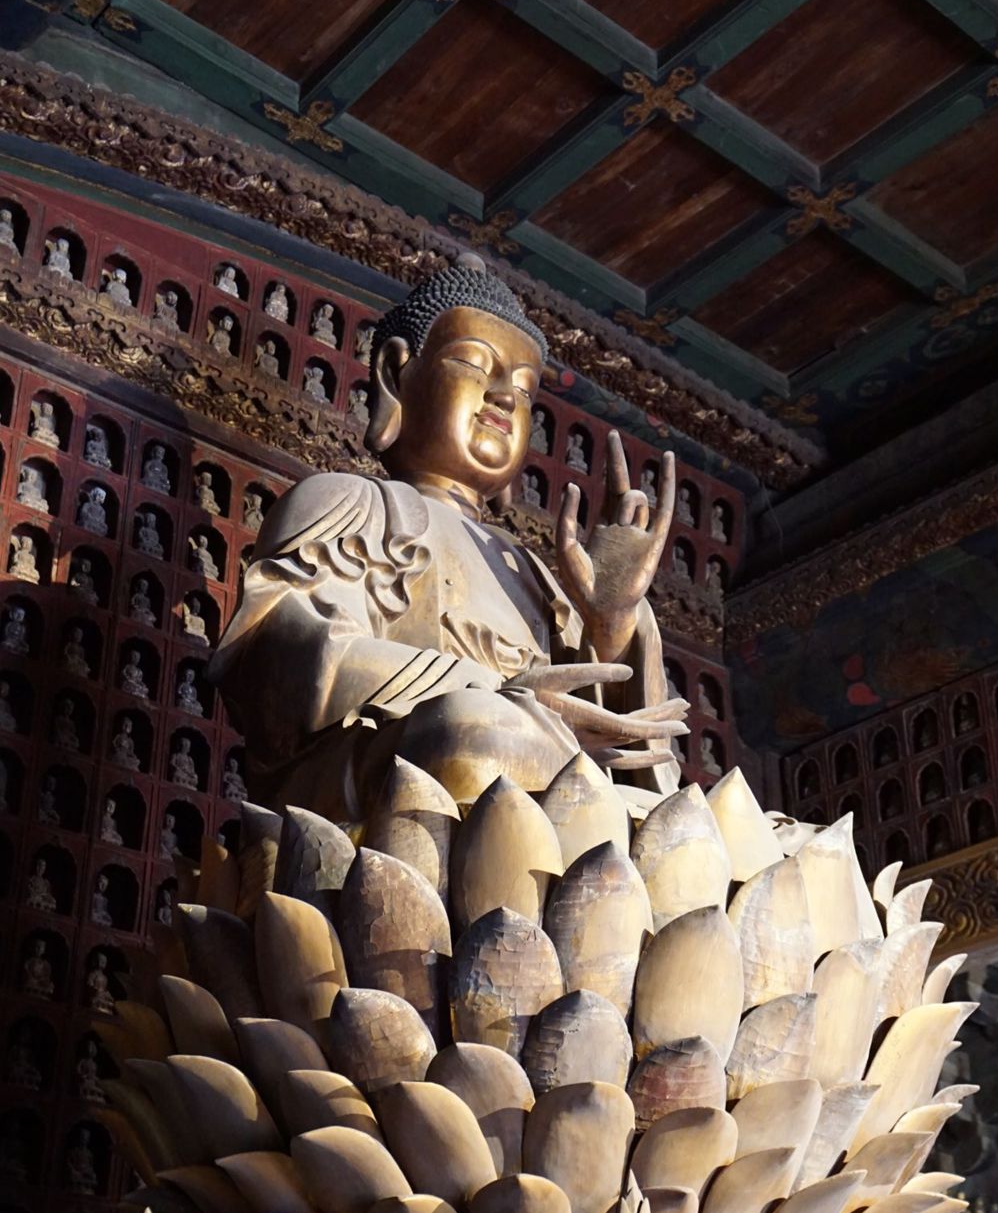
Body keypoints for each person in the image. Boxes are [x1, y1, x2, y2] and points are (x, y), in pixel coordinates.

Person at [211, 255, 684, 818]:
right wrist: (501, 693)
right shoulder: (351, 502)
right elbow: (286, 658)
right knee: (476, 732)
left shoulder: (530, 571)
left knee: (742, 827)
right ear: (395, 374)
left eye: (525, 389)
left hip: (539, 796)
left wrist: (611, 624)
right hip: (392, 780)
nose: (505, 397)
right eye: (474, 364)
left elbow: (621, 757)